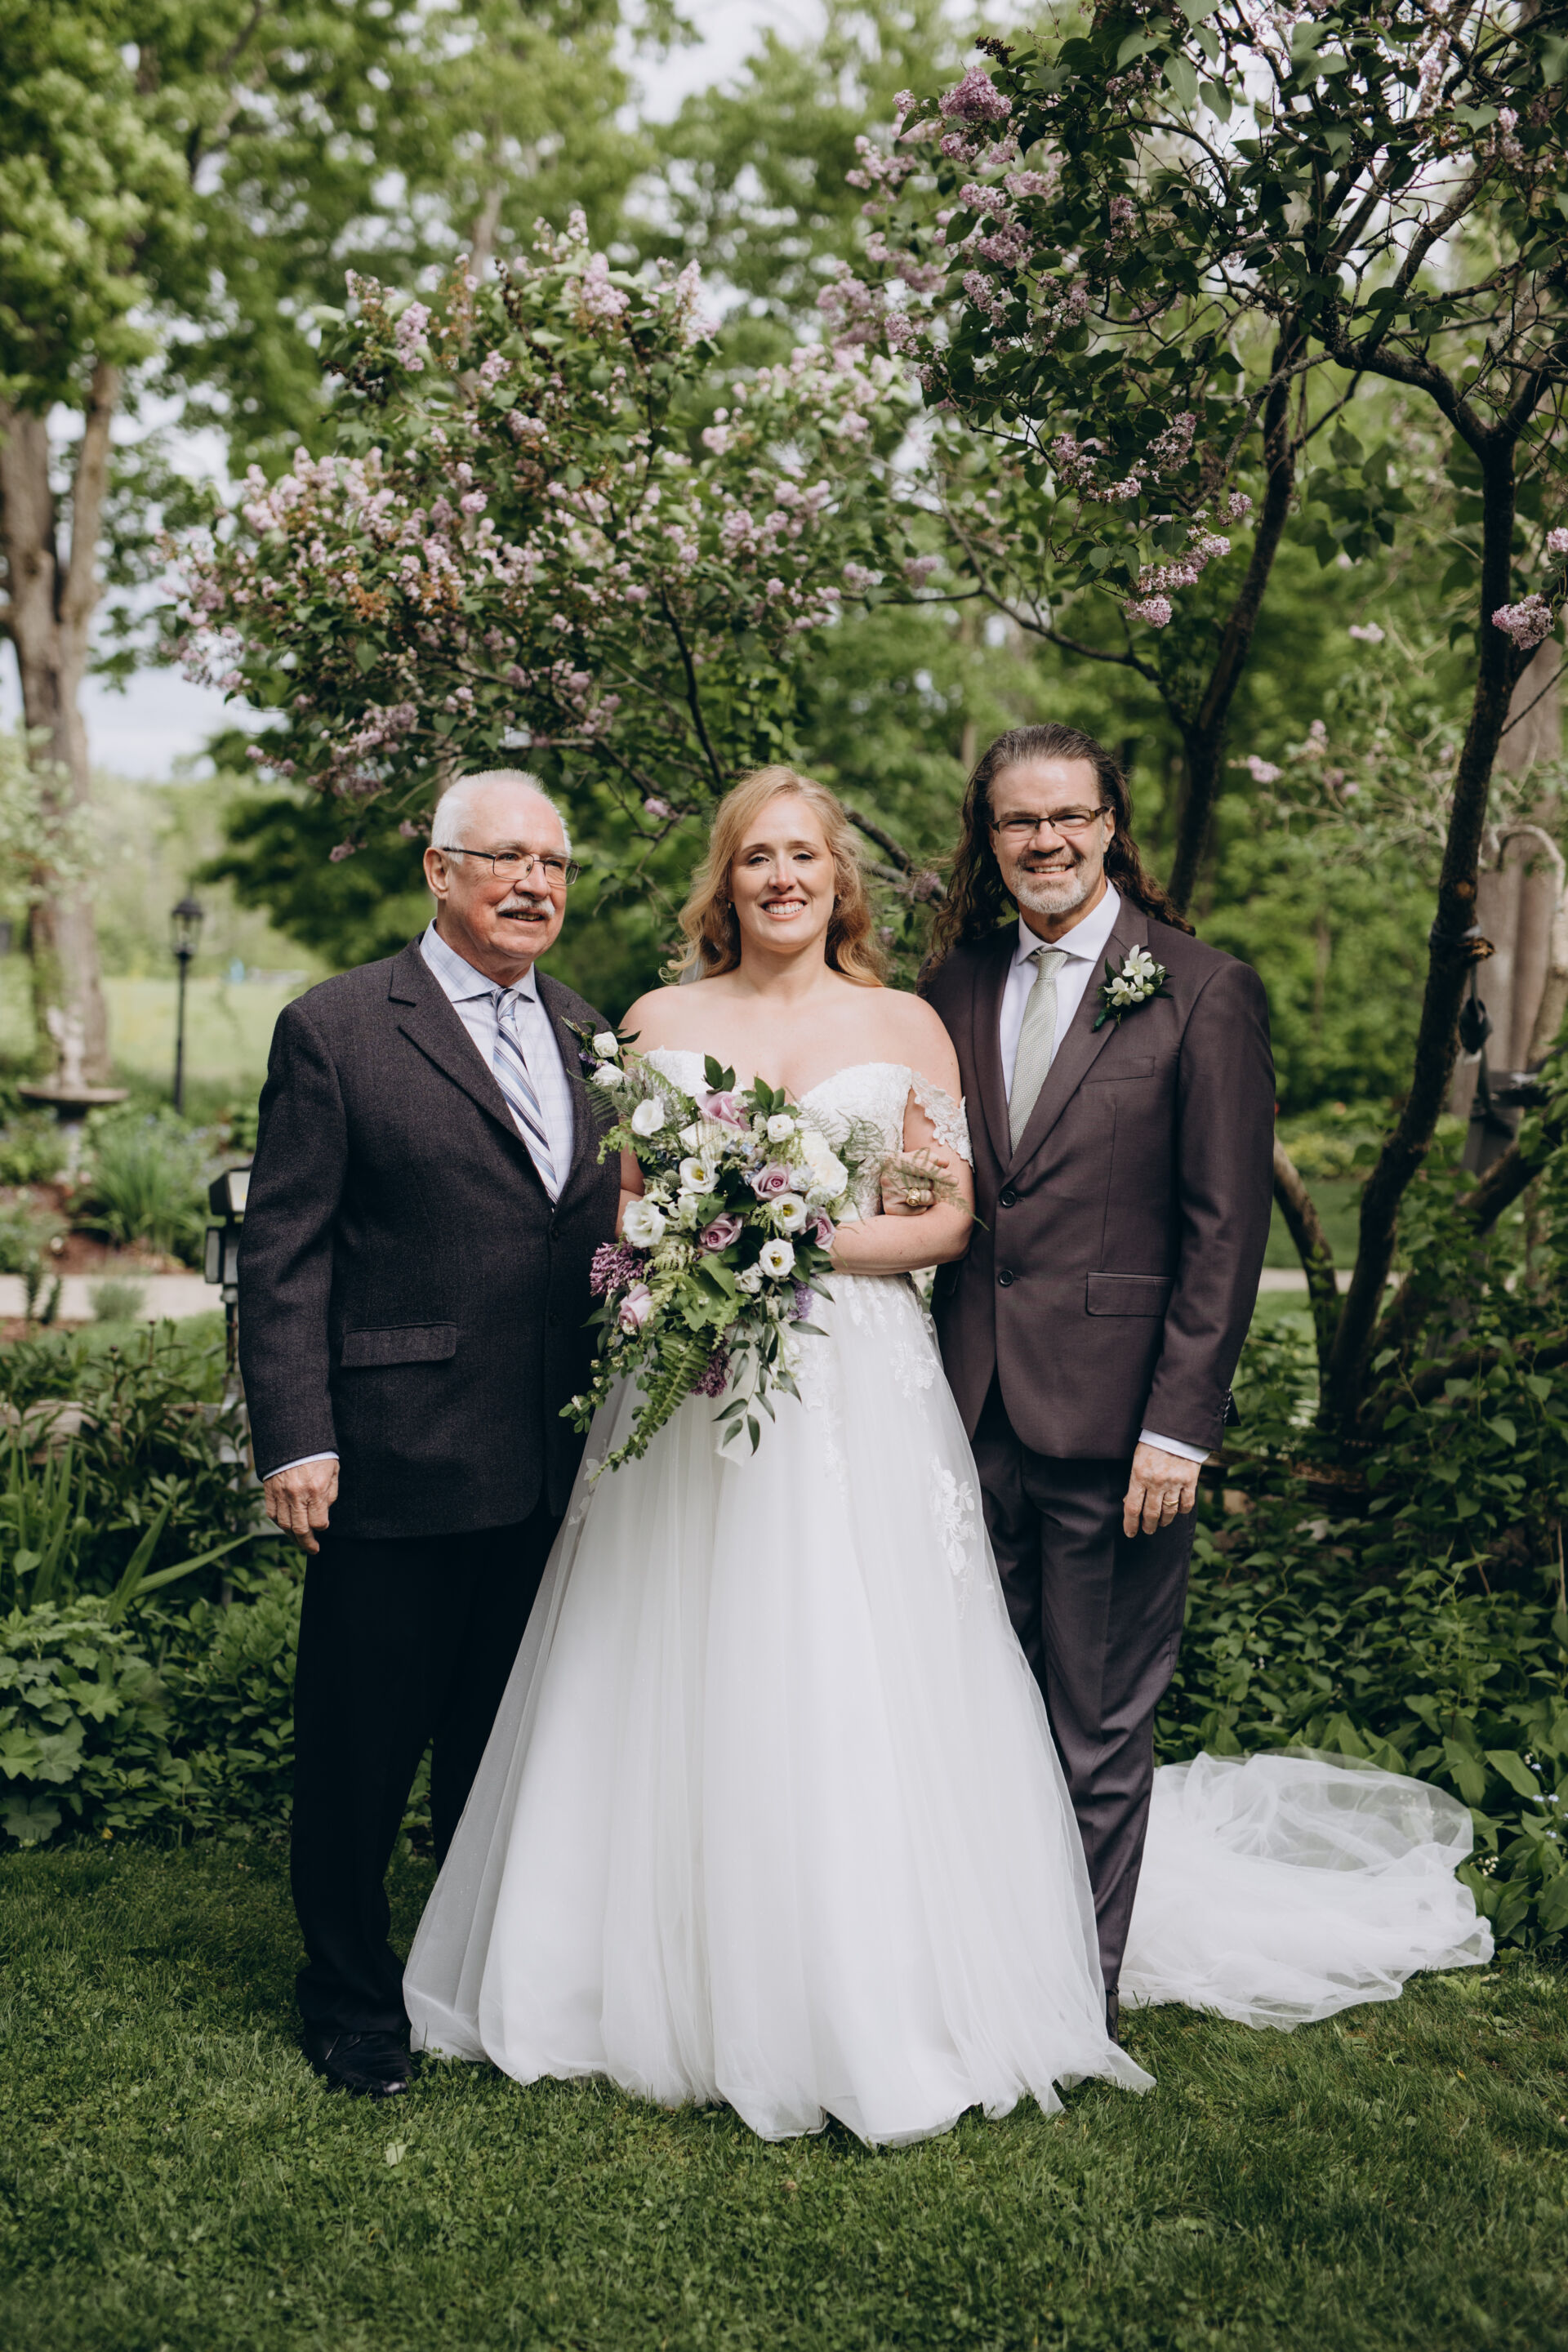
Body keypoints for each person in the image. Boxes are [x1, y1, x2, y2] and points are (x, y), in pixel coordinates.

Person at [403, 765, 1486, 2145]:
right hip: (695, 1386)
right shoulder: (659, 1021)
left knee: (849, 1666)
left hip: (851, 1380)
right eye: (756, 857)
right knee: (664, 1658)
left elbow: (948, 1216)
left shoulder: (909, 1022)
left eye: (805, 856)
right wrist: (693, 1248)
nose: (782, 878)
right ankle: (630, 1975)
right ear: (725, 880)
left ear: (838, 879)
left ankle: (873, 1984)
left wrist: (787, 1240)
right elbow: (622, 1200)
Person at [239, 768, 620, 2098]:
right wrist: (296, 1438)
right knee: (360, 1751)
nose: (534, 885)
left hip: (552, 1460)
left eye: (554, 865)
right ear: (439, 871)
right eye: (506, 858)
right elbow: (282, 1254)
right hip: (393, 1453)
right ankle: (348, 1997)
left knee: (497, 1748)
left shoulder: (591, 1033)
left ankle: (468, 1978)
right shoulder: (338, 1027)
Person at [919, 722, 1276, 2038]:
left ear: (1111, 825)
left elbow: (1225, 1231)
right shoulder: (954, 985)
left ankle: (1078, 2000)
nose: (1047, 842)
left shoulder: (1201, 989)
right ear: (991, 838)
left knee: (1099, 1728)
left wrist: (1179, 1428)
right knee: (980, 1715)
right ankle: (983, 1970)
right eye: (1020, 821)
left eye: (1070, 816)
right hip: (966, 1415)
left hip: (1123, 1432)